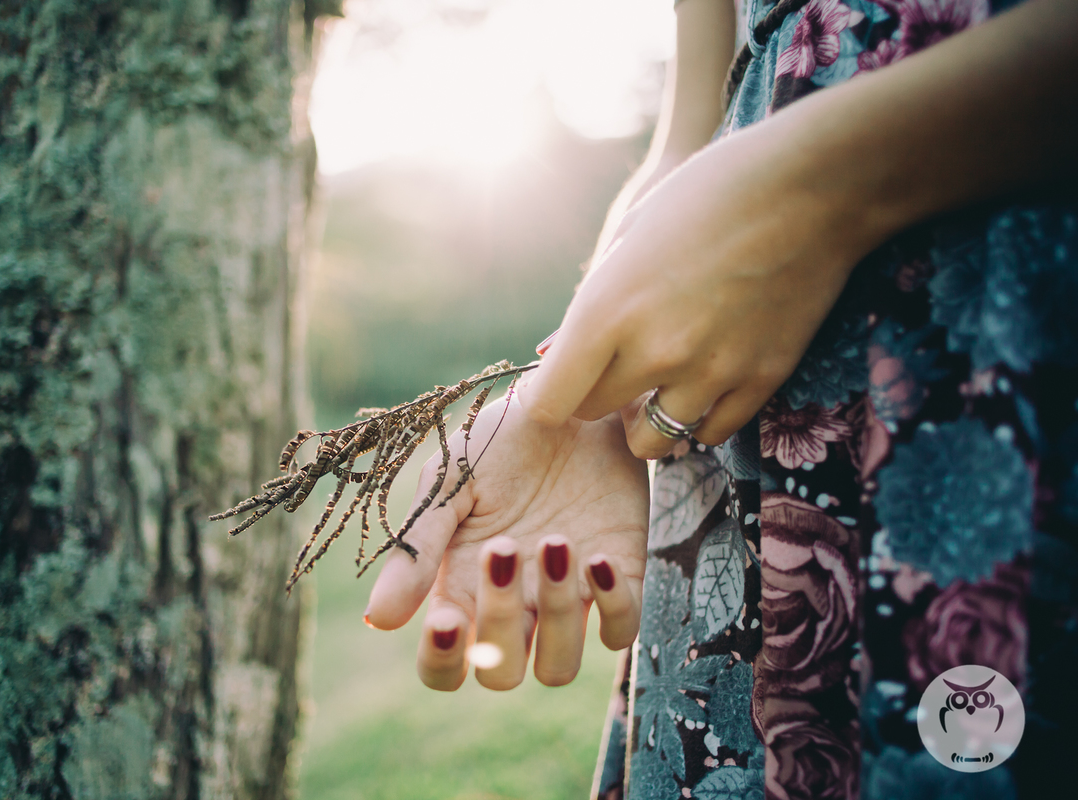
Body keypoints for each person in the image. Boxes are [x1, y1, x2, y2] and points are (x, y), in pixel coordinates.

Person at [363, 0, 1078, 797]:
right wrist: (582, 399)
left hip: (1012, 318)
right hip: (737, 444)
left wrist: (818, 194)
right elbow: (691, 133)